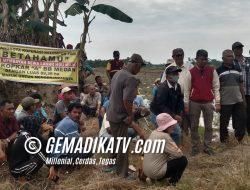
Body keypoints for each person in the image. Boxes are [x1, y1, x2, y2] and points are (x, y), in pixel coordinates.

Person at [107, 53, 144, 178]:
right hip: (120, 116)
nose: (140, 69)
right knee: (122, 145)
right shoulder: (131, 78)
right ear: (135, 64)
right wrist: (131, 115)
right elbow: (127, 100)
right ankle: (122, 174)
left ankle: (111, 165)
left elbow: (111, 93)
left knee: (116, 141)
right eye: (140, 66)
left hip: (112, 113)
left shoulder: (118, 73)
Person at [184, 49, 220, 156]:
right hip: (194, 102)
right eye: (202, 59)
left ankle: (207, 147)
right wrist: (186, 104)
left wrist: (217, 102)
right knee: (194, 126)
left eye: (206, 59)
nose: (204, 61)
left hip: (208, 102)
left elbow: (216, 86)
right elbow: (187, 90)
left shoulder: (212, 71)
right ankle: (195, 147)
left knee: (209, 126)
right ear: (196, 59)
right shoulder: (190, 73)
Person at [7, 116, 58, 182]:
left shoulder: (26, 134)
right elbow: (38, 152)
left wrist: (51, 131)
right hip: (16, 170)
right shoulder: (26, 136)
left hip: (22, 164)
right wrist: (51, 166)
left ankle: (26, 176)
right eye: (39, 125)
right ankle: (22, 179)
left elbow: (43, 144)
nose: (41, 127)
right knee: (37, 161)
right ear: (33, 125)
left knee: (41, 155)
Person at [142, 113, 188, 185]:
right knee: (183, 160)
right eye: (171, 125)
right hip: (155, 171)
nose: (173, 126)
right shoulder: (165, 136)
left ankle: (154, 180)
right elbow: (179, 154)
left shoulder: (154, 133)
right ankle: (172, 183)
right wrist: (178, 148)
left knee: (169, 159)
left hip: (147, 171)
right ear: (167, 126)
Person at [217, 49, 246, 143]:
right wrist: (217, 102)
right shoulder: (218, 71)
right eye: (228, 56)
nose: (231, 58)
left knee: (241, 120)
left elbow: (241, 85)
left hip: (238, 100)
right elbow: (216, 88)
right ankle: (224, 141)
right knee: (224, 123)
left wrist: (243, 99)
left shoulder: (237, 68)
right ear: (223, 58)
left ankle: (239, 139)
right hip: (225, 101)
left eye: (232, 56)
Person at [161, 49, 191, 135]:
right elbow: (164, 83)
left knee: (186, 121)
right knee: (174, 121)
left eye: (181, 55)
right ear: (173, 57)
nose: (179, 57)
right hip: (173, 98)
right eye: (177, 55)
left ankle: (185, 140)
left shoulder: (190, 67)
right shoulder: (168, 68)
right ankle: (175, 140)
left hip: (187, 97)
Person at [150, 65, 183, 145]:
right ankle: (169, 152)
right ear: (168, 76)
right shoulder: (162, 88)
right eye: (174, 74)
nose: (177, 76)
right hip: (157, 114)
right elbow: (161, 105)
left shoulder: (177, 86)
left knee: (170, 133)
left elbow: (179, 102)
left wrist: (178, 114)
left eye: (177, 73)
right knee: (173, 133)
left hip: (168, 114)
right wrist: (174, 116)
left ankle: (170, 151)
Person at [232, 42, 250, 135]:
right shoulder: (232, 62)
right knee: (238, 115)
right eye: (237, 48)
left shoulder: (248, 60)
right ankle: (238, 135)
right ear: (233, 50)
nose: (239, 50)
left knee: (249, 114)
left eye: (241, 48)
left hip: (249, 92)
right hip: (237, 94)